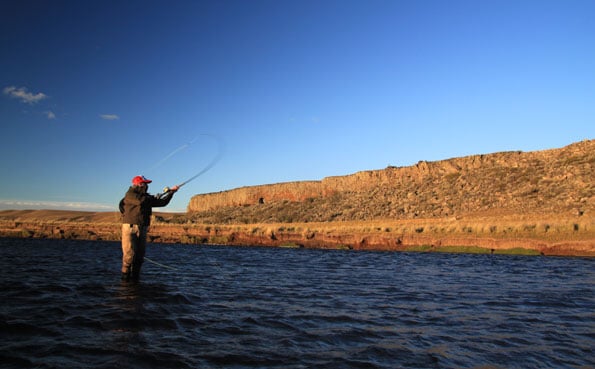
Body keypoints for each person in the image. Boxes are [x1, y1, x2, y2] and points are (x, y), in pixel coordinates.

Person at [119, 175, 178, 282]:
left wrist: (171, 193)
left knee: (140, 257)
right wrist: (153, 197)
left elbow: (162, 203)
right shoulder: (130, 194)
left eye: (146, 184)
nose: (146, 186)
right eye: (144, 183)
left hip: (142, 228)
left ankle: (135, 280)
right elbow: (140, 201)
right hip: (129, 228)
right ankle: (124, 280)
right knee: (129, 256)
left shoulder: (146, 197)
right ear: (138, 184)